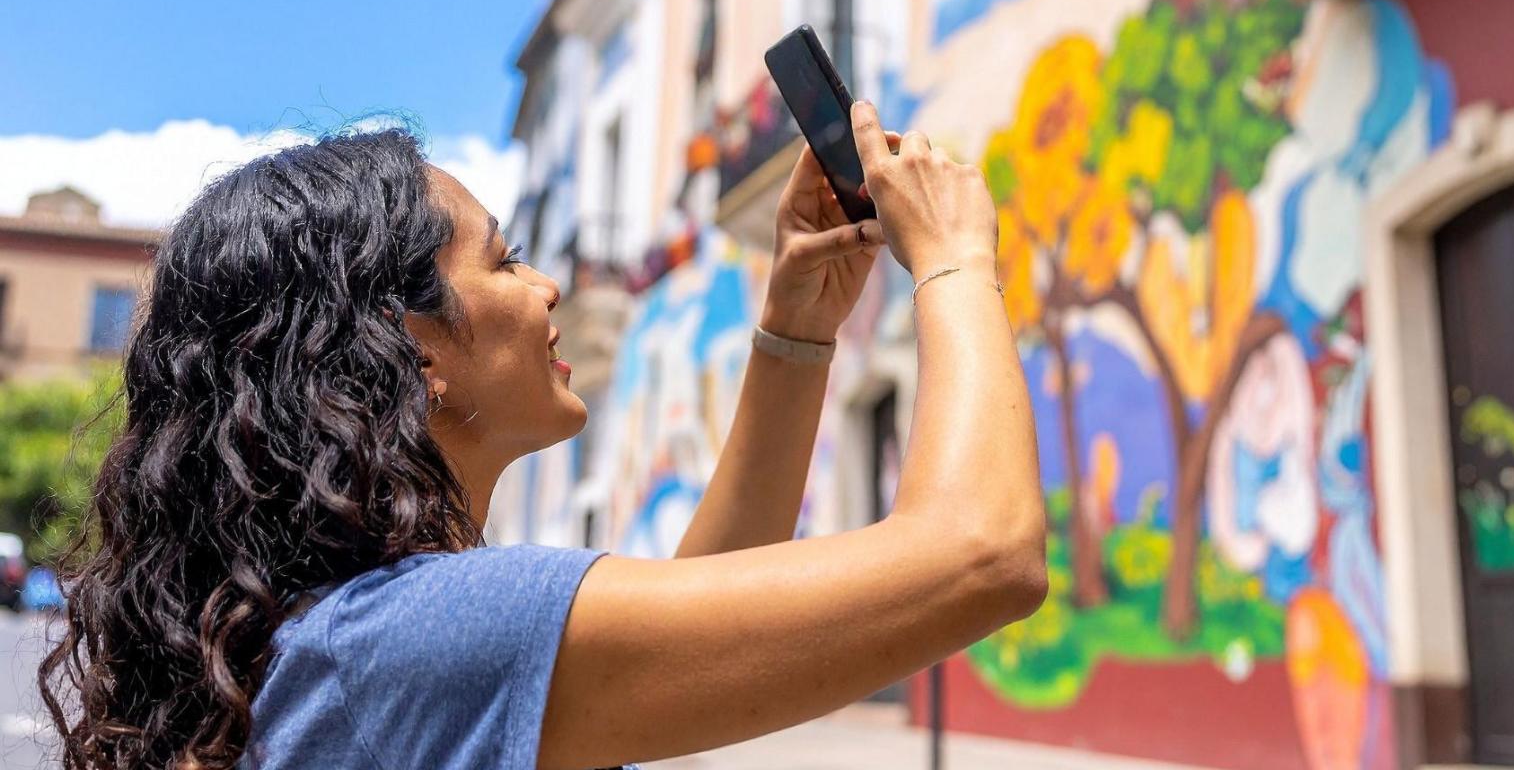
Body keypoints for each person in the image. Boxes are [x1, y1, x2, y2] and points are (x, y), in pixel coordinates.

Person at [38, 102, 1045, 770]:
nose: (547, 284)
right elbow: (983, 554)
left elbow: (692, 622)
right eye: (507, 261)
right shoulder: (416, 630)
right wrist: (957, 262)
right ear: (410, 348)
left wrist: (793, 333)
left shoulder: (350, 632)